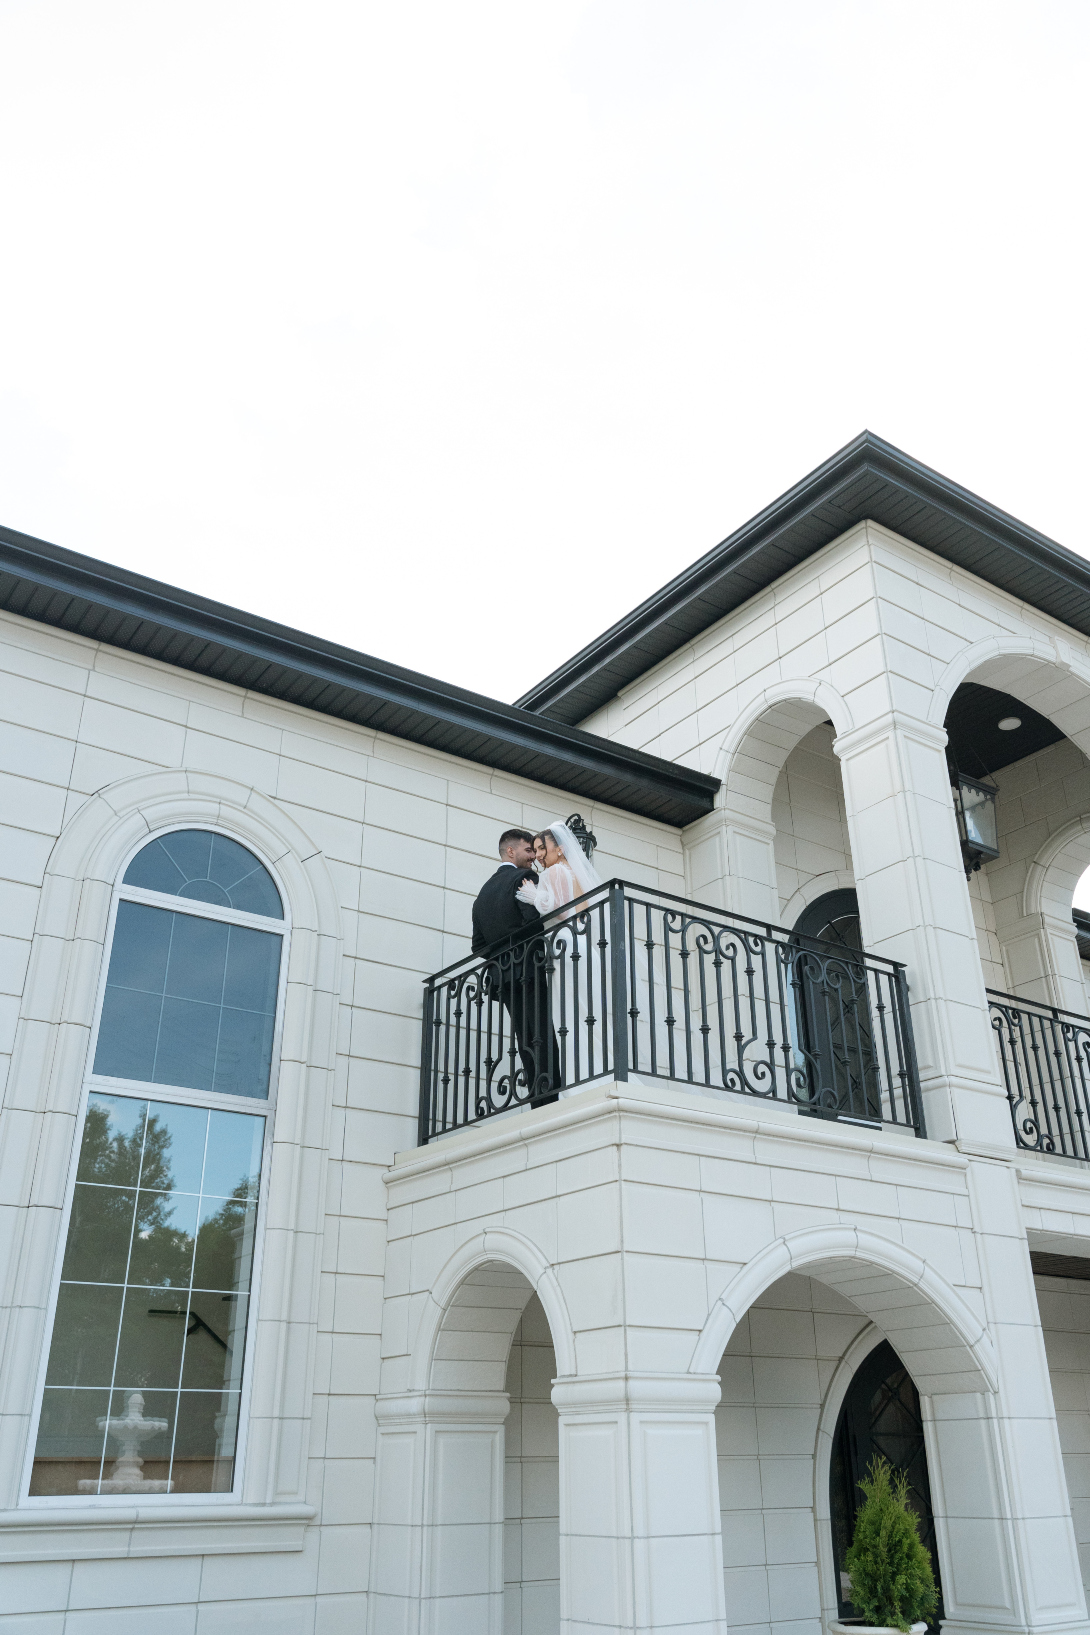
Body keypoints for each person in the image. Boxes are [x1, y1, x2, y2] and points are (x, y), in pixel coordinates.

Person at [471, 829, 560, 1102]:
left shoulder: (483, 894)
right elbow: (534, 923)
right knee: (542, 1031)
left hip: (502, 976)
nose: (533, 856)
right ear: (511, 851)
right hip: (529, 967)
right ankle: (549, 1093)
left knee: (525, 1037)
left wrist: (501, 955)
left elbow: (478, 946)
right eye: (528, 850)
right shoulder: (525, 878)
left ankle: (537, 1095)